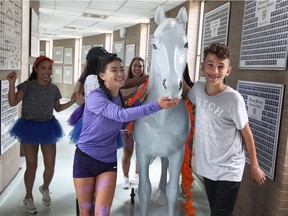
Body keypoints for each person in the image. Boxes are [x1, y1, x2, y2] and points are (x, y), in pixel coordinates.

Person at [73, 55, 180, 216]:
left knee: (102, 212)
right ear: (102, 76)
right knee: (86, 211)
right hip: (85, 160)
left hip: (108, 162)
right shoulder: (95, 97)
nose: (120, 73)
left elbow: (122, 123)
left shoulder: (119, 99)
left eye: (122, 69)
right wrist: (157, 104)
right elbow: (121, 116)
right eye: (114, 70)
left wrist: (141, 100)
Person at [187, 43, 266, 215]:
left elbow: (247, 132)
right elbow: (184, 91)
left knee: (220, 213)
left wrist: (254, 166)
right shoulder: (198, 89)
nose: (214, 71)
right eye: (210, 64)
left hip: (229, 168)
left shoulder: (233, 99)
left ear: (228, 71)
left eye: (220, 66)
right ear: (202, 67)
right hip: (208, 166)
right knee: (215, 210)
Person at [6, 56, 76, 214]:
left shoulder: (53, 89)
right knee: (32, 165)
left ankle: (44, 187)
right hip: (29, 126)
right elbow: (12, 102)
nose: (47, 71)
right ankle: (28, 197)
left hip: (48, 126)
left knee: (50, 165)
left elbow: (57, 108)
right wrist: (11, 84)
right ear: (36, 69)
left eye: (49, 68)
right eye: (43, 68)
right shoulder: (27, 86)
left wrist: (72, 102)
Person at [120, 56, 146, 189]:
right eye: (135, 65)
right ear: (131, 67)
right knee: (128, 151)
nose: (137, 68)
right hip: (128, 121)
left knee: (141, 151)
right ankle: (125, 177)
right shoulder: (125, 82)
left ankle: (137, 173)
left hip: (143, 122)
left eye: (140, 66)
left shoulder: (146, 85)